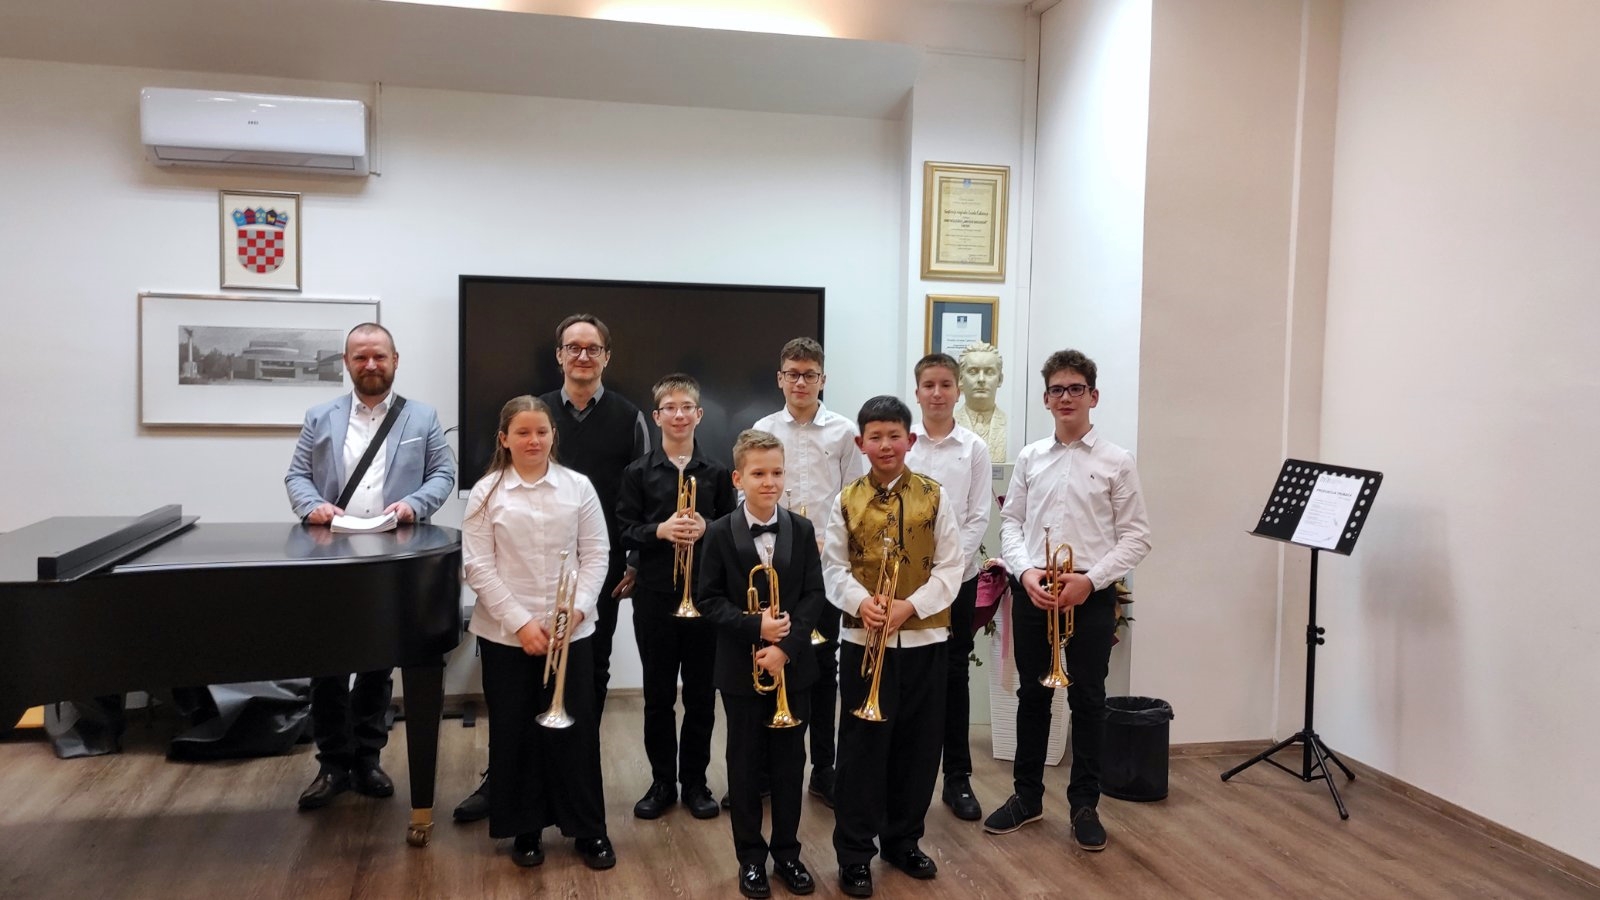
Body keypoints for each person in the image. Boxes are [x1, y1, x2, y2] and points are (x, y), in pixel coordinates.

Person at [454, 312, 650, 822]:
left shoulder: (628, 417)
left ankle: (575, 793)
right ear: (559, 355)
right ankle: (509, 791)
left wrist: (625, 567)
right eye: (572, 347)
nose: (582, 356)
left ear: (606, 357)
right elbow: (480, 559)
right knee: (514, 703)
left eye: (592, 348)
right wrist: (520, 620)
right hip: (518, 601)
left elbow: (641, 493)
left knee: (586, 689)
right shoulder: (532, 412)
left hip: (595, 581)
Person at [983, 349, 1151, 852]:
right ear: (1046, 399)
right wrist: (1025, 571)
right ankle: (1027, 797)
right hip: (1036, 587)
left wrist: (1090, 581)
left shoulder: (1117, 461)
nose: (1066, 397)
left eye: (1076, 388)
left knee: (1088, 699)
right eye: (1057, 389)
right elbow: (1011, 523)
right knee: (1032, 696)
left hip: (1088, 593)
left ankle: (1084, 806)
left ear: (1093, 396)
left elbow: (1137, 537)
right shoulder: (1031, 458)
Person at [284, 322, 456, 811]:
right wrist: (312, 506)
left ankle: (367, 759)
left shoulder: (422, 416)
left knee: (379, 664)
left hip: (391, 556)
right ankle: (332, 764)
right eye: (360, 357)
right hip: (329, 556)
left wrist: (414, 505)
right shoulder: (320, 416)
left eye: (379, 356)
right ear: (347, 363)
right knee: (328, 666)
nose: (371, 364)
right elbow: (297, 475)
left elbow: (444, 473)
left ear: (395, 360)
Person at [460, 395, 617, 871]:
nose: (534, 440)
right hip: (507, 635)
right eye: (523, 433)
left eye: (542, 432)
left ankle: (588, 829)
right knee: (515, 733)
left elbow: (597, 555)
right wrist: (521, 623)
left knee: (577, 734)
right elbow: (478, 566)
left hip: (571, 634)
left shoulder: (578, 486)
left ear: (553, 436)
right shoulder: (486, 492)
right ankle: (525, 828)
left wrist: (577, 611)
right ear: (504, 439)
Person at [823, 396, 962, 898]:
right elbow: (833, 568)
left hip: (925, 639)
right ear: (860, 443)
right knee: (861, 750)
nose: (886, 445)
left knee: (919, 747)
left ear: (911, 440)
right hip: (863, 640)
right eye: (876, 437)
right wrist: (861, 603)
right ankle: (854, 853)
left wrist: (911, 607)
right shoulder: (845, 500)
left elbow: (951, 566)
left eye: (894, 436)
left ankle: (903, 841)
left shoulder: (935, 496)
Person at [696, 429, 824, 899]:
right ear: (738, 478)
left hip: (793, 665)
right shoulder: (718, 532)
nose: (769, 482)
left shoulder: (801, 529)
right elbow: (708, 599)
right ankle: (750, 858)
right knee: (745, 765)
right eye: (758, 474)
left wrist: (785, 647)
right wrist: (757, 628)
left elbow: (814, 595)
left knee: (791, 765)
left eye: (776, 472)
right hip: (740, 670)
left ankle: (787, 854)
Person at [752, 337, 865, 807]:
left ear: (823, 379)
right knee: (769, 659)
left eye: (810, 375)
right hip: (773, 565)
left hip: (824, 566)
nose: (801, 382)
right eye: (793, 374)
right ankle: (764, 771)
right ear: (780, 378)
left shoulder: (843, 432)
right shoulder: (762, 428)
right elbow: (749, 496)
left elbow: (855, 498)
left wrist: (828, 541)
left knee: (822, 667)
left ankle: (823, 768)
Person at [617, 374, 736, 821]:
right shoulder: (637, 473)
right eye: (670, 407)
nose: (679, 414)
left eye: (687, 407)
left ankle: (697, 783)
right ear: (657, 416)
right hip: (655, 597)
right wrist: (660, 530)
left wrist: (709, 527)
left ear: (699, 414)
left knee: (702, 696)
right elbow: (625, 530)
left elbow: (733, 526)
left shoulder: (717, 472)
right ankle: (662, 781)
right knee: (658, 695)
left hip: (705, 599)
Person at [904, 353, 992, 821]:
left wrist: (947, 570)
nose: (937, 393)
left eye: (945, 385)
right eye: (929, 385)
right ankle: (905, 775)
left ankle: (957, 779)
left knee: (954, 676)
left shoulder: (973, 448)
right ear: (917, 391)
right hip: (908, 583)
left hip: (958, 580)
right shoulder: (904, 444)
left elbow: (978, 516)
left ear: (957, 391)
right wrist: (919, 573)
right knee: (912, 674)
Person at [952, 342, 1008, 463]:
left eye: (989, 372)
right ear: (960, 379)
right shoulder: (950, 424)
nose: (981, 379)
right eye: (973, 372)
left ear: (1000, 379)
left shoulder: (1010, 425)